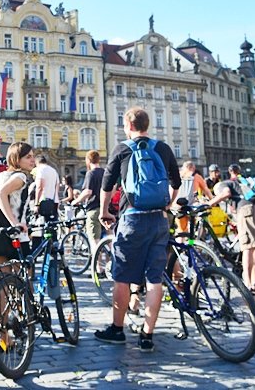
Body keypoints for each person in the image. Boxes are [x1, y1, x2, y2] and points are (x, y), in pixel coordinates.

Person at [95, 107, 181, 351]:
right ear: (147, 125)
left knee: (121, 277)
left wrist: (104, 211)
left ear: (128, 126)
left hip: (131, 218)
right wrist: (168, 204)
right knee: (155, 279)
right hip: (158, 220)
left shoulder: (122, 149)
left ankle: (117, 329)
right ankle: (147, 335)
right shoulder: (161, 148)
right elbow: (176, 182)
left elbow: (107, 184)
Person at [70, 150, 104, 252]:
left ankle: (97, 267)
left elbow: (88, 192)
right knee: (109, 238)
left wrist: (76, 201)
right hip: (106, 208)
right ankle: (110, 263)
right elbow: (113, 187)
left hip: (94, 209)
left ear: (88, 160)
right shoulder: (105, 172)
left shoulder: (91, 173)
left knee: (94, 240)